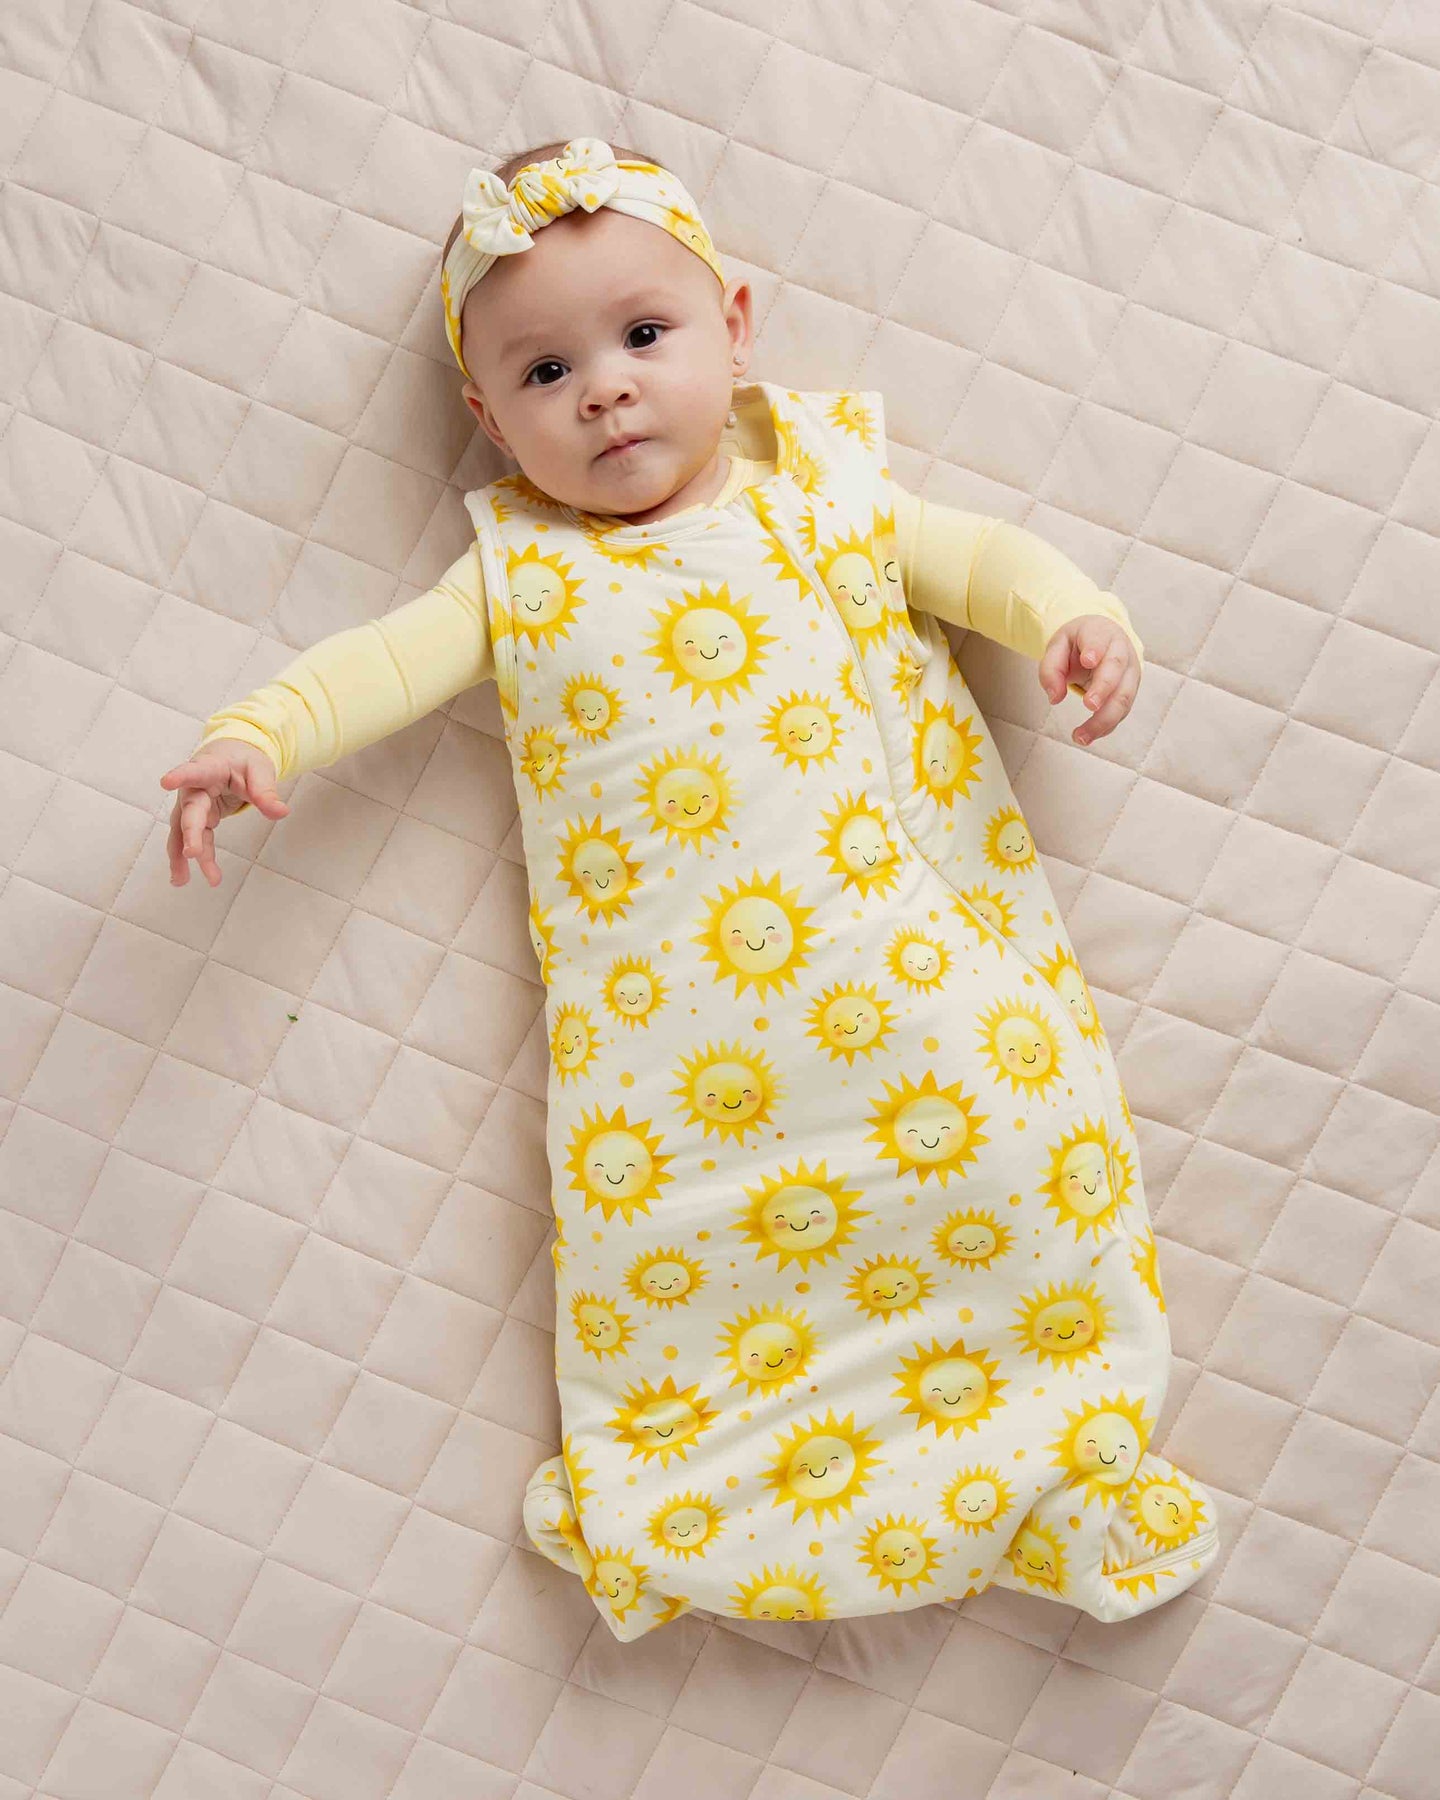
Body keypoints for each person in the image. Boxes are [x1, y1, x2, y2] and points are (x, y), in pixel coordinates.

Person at [160, 138, 1217, 1642]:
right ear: (487, 419)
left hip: (915, 992)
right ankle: (694, 1497)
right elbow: (380, 664)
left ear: (733, 326)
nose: (603, 390)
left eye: (643, 336)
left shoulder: (828, 495)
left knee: (1008, 1179)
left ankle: (1060, 1463)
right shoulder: (520, 575)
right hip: (684, 1062)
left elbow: (980, 561)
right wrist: (259, 734)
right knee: (674, 1267)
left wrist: (1075, 619)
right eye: (546, 372)